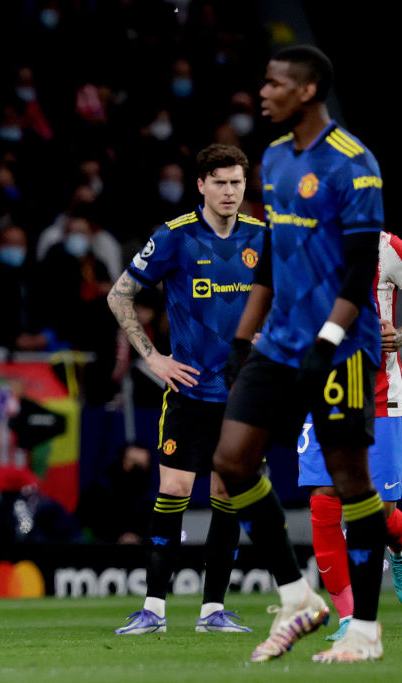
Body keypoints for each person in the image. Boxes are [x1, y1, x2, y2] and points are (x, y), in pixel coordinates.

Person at [215, 44, 385, 663]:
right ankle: (298, 596)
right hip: (279, 342)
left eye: (275, 84)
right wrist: (241, 338)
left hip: (339, 349)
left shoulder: (353, 164)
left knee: (348, 481)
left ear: (308, 90)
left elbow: (359, 270)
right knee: (232, 463)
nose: (263, 93)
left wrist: (329, 343)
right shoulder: (274, 158)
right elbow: (272, 258)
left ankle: (364, 629)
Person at [107, 143, 265, 635]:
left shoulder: (264, 238)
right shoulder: (174, 236)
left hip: (243, 396)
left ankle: (211, 611)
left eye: (236, 182)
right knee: (173, 489)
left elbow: (292, 302)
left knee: (228, 496)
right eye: (219, 181)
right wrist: (153, 357)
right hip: (190, 392)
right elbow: (120, 295)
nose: (229, 191)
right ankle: (153, 609)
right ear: (200, 185)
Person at [296, 230, 402, 641]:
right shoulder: (301, 244)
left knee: (376, 511)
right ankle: (348, 617)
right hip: (323, 392)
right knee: (323, 501)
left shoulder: (386, 247)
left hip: (379, 397)